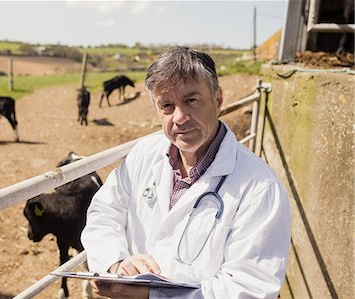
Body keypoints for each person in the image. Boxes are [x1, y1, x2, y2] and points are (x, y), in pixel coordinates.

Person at [80, 46, 291, 298]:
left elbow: (249, 287)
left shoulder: (260, 188)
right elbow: (104, 213)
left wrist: (152, 295)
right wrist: (115, 263)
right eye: (166, 105)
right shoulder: (144, 154)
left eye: (191, 100)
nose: (179, 117)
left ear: (218, 100)